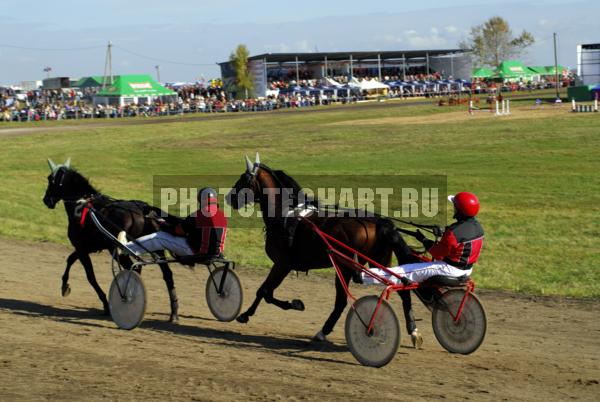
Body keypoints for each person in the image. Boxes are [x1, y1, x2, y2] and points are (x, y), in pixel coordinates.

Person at [362, 191, 484, 285]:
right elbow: (457, 243)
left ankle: (362, 275)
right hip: (467, 270)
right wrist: (443, 234)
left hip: (449, 270)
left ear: (460, 211)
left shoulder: (453, 232)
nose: (454, 208)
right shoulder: (478, 227)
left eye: (455, 207)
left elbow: (437, 253)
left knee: (403, 271)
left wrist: (424, 240)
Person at [118, 187, 227, 259]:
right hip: (216, 253)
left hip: (193, 252)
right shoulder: (223, 216)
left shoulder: (197, 215)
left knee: (159, 237)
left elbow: (177, 231)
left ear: (201, 200)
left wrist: (162, 223)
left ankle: (127, 249)